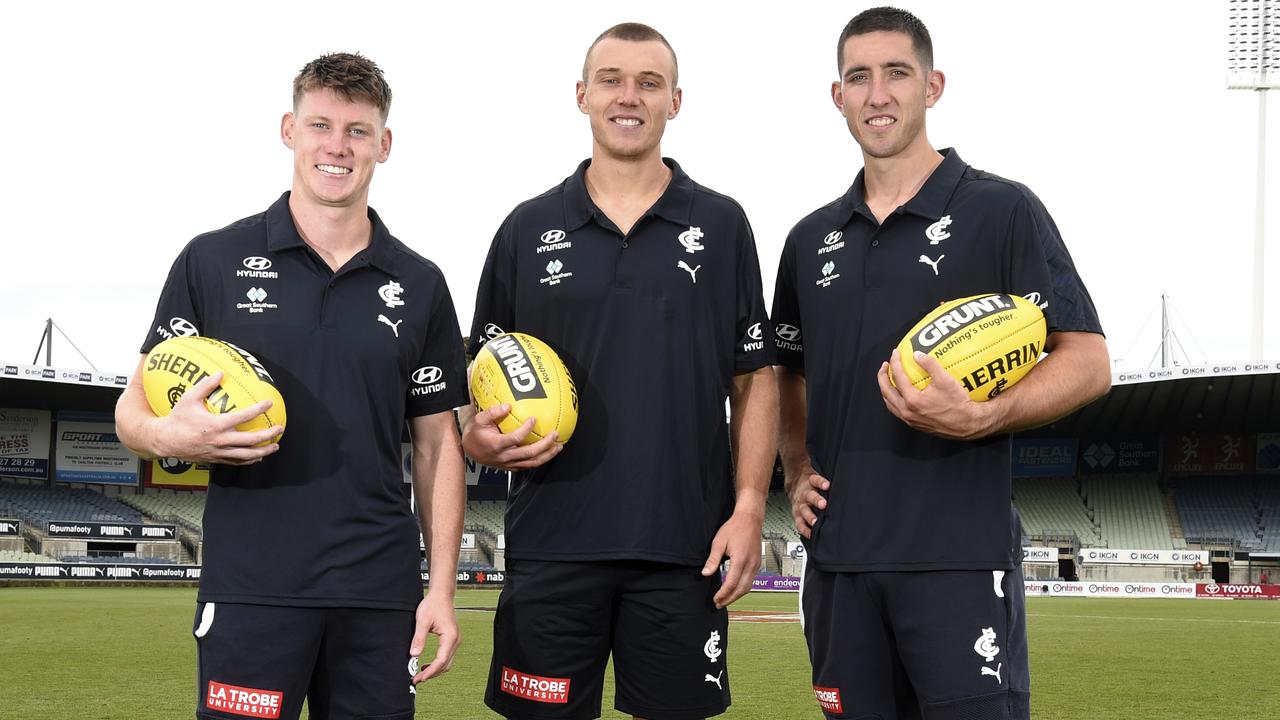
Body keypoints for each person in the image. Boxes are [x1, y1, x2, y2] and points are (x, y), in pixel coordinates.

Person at [773, 8, 1111, 719]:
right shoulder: (809, 241)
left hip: (958, 561)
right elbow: (790, 375)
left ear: (933, 85)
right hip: (840, 566)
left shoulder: (1003, 210)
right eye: (858, 77)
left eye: (897, 73)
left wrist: (985, 414)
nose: (878, 94)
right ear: (838, 96)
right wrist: (796, 469)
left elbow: (1086, 360)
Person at [114, 53, 468, 720]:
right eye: (320, 125)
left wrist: (441, 589)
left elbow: (437, 445)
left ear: (384, 144)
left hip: (378, 594)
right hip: (253, 587)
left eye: (358, 131)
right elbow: (132, 411)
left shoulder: (420, 283)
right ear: (289, 129)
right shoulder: (211, 259)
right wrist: (168, 434)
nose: (337, 146)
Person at [462, 22, 778, 720]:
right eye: (611, 79)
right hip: (552, 545)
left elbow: (755, 379)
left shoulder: (722, 225)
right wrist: (475, 441)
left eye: (648, 82)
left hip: (682, 550)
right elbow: (477, 378)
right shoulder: (525, 228)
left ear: (676, 101)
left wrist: (751, 504)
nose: (627, 96)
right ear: (581, 95)